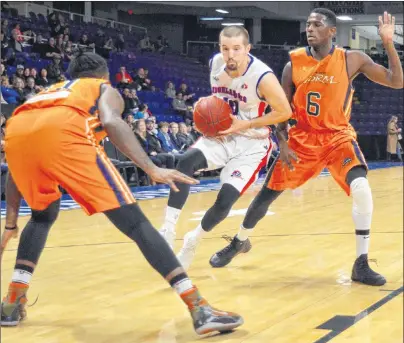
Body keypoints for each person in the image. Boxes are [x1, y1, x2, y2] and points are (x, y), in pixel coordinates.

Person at [0, 52, 244, 334]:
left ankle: (11, 301)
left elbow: (17, 165)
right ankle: (199, 307)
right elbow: (112, 121)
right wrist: (152, 168)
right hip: (66, 134)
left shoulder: (44, 94)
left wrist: (10, 224)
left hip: (15, 133)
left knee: (42, 216)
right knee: (137, 224)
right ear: (103, 76)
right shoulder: (101, 87)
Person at [210, 9, 403, 287]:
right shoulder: (293, 64)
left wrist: (387, 43)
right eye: (308, 24)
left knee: (361, 188)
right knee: (265, 197)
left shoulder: (351, 59)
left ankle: (361, 263)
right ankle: (239, 240)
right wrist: (284, 143)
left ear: (332, 31)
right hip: (302, 140)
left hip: (337, 137)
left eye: (317, 24)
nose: (309, 28)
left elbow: (397, 81)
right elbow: (280, 111)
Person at [158, 26, 293, 270]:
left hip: (252, 143)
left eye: (236, 49)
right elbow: (219, 101)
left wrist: (247, 123)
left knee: (225, 202)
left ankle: (192, 239)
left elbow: (285, 112)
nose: (230, 55)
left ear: (247, 49)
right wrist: (206, 114)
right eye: (225, 48)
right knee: (186, 161)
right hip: (223, 135)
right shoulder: (216, 64)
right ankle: (168, 228)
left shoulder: (262, 76)